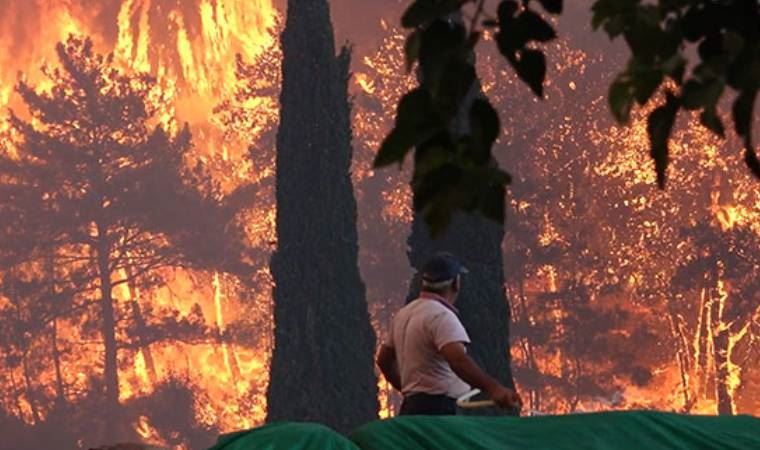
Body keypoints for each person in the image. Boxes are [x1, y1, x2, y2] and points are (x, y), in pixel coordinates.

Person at [376, 252, 522, 415]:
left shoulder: (403, 314)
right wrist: (494, 389)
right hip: (439, 410)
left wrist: (408, 391)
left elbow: (383, 360)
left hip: (411, 409)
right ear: (456, 283)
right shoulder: (442, 316)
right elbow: (458, 360)